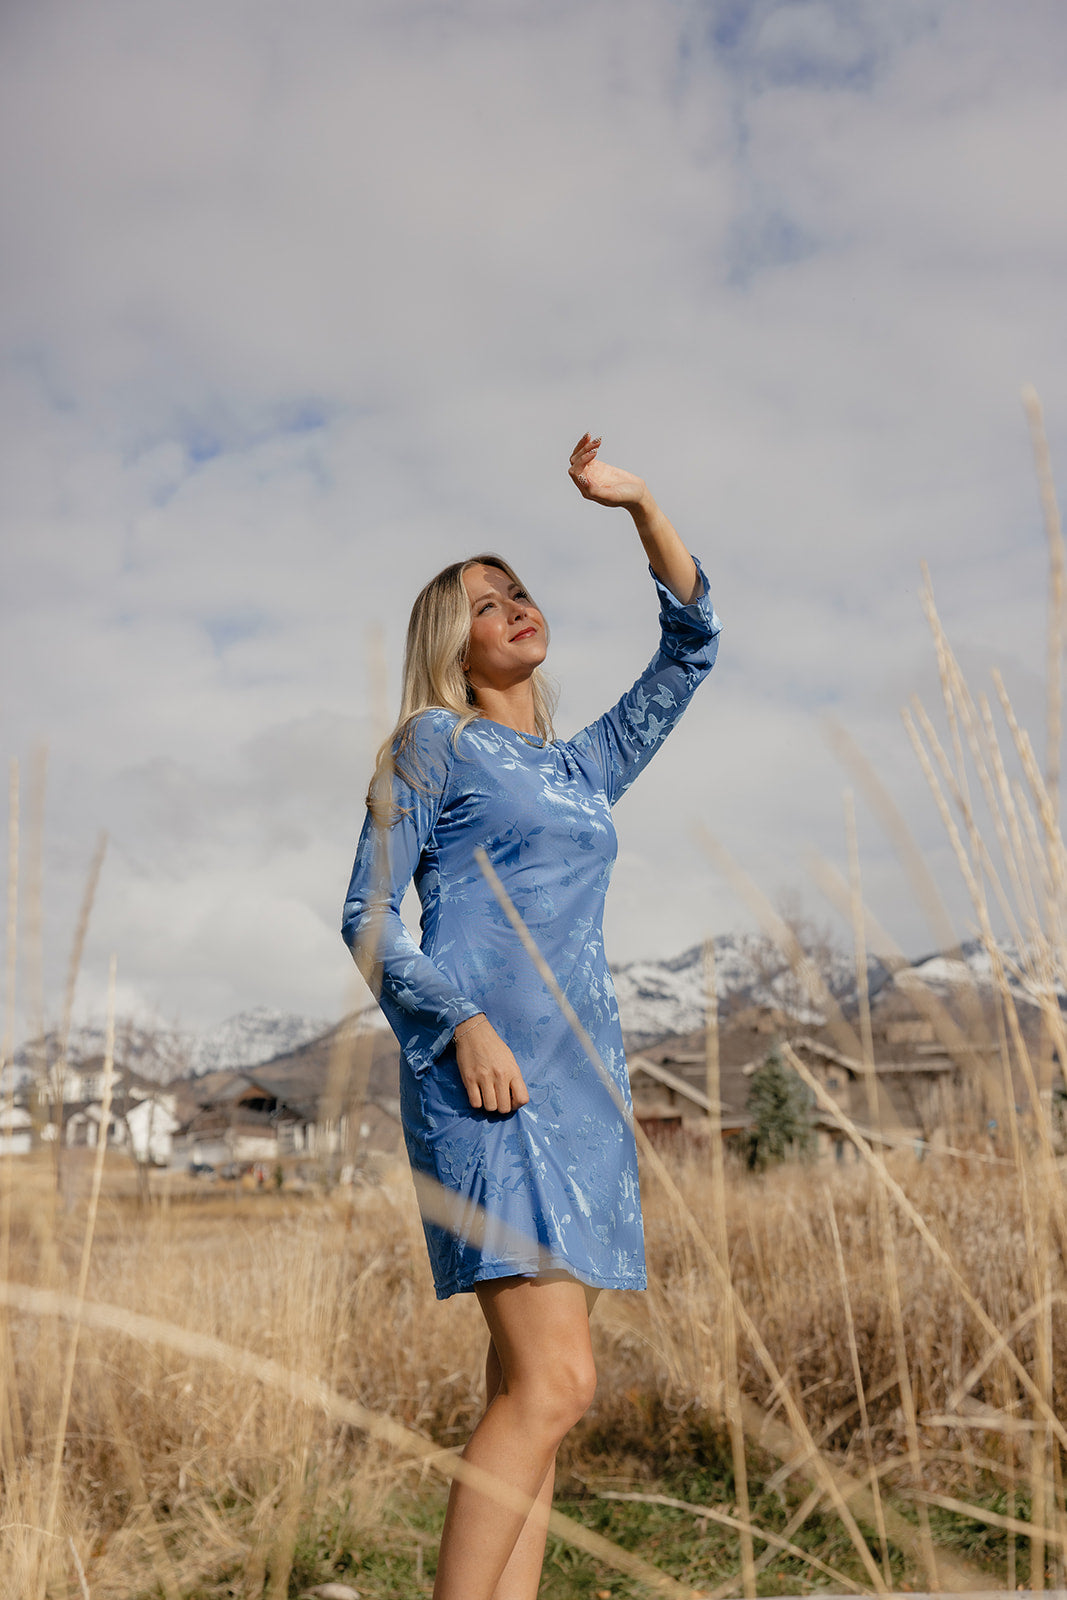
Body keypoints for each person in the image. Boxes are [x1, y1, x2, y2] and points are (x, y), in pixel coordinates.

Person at [341, 432, 721, 1600]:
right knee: (553, 1388)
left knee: (537, 1402)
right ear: (447, 643)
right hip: (484, 1081)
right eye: (481, 601)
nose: (511, 606)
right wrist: (457, 1023)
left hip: (581, 1092)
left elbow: (691, 643)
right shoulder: (430, 741)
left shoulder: (580, 765)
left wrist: (640, 503)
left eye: (517, 590)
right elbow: (367, 914)